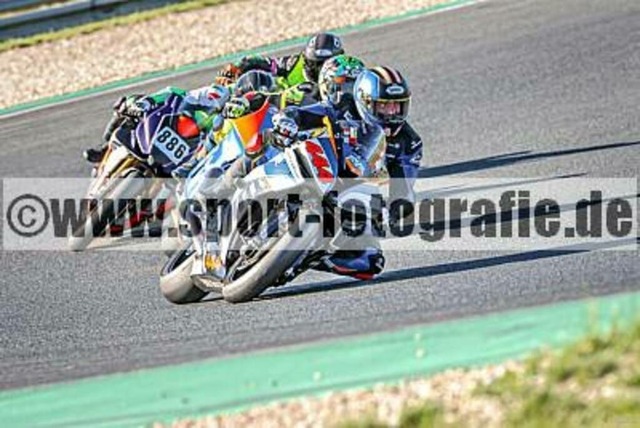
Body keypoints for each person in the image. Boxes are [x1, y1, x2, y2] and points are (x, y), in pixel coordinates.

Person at [83, 84, 230, 163]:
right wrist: (146, 103)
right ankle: (104, 149)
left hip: (186, 149)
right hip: (166, 123)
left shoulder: (223, 123)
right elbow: (173, 93)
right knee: (126, 104)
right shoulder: (201, 95)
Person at [215, 32, 345, 90]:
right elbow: (261, 62)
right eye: (315, 63)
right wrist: (237, 68)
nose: (320, 69)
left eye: (325, 64)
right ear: (306, 59)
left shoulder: (346, 73)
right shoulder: (293, 64)